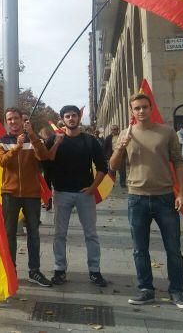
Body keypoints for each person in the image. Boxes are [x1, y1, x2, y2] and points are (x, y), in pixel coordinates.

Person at [109, 93, 183, 310]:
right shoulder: (127, 134)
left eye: (144, 107)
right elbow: (113, 165)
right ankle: (146, 289)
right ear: (132, 111)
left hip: (165, 198)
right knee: (139, 249)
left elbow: (178, 163)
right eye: (136, 108)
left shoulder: (166, 132)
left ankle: (177, 291)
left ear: (151, 108)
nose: (141, 111)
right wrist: (120, 147)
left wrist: (181, 194)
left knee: (173, 248)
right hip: (136, 199)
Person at [44, 105, 109, 287]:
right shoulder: (53, 139)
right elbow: (46, 163)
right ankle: (59, 270)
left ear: (79, 117)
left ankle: (95, 271)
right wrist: (56, 143)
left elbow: (103, 167)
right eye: (67, 116)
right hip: (61, 193)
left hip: (84, 194)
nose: (71, 119)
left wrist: (92, 188)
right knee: (59, 234)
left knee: (91, 234)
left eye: (74, 115)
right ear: (62, 119)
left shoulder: (90, 141)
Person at [0, 107, 52, 287]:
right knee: (9, 234)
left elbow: (44, 156)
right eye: (9, 119)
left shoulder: (34, 139)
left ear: (22, 120)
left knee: (33, 234)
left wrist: (32, 136)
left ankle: (34, 271)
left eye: (16, 118)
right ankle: (10, 270)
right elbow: (2, 162)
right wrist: (18, 147)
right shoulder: (1, 141)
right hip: (10, 194)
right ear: (6, 122)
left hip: (32, 194)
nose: (13, 122)